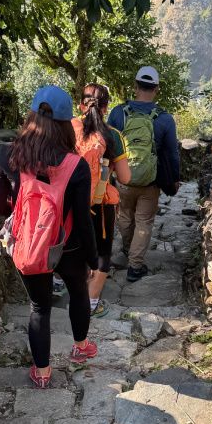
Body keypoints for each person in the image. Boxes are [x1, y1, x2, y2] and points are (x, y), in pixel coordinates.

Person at [0, 86, 98, 388]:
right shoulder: (76, 166)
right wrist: (94, 259)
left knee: (39, 307)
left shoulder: (9, 154)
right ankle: (81, 346)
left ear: (32, 115)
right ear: (66, 123)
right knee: (78, 292)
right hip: (69, 244)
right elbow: (84, 220)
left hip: (29, 243)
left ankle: (43, 371)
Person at [108, 66, 180, 282]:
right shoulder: (165, 119)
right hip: (150, 181)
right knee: (144, 221)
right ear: (156, 88)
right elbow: (172, 154)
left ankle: (128, 250)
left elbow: (107, 145)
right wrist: (175, 179)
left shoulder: (117, 113)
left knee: (124, 216)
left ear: (135, 86)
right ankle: (135, 266)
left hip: (123, 179)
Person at [73, 83, 131, 317]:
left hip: (71, 201)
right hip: (101, 202)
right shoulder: (113, 135)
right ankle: (91, 301)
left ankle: (69, 290)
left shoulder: (69, 128)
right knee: (103, 252)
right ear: (106, 108)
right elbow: (126, 177)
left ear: (80, 105)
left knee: (73, 245)